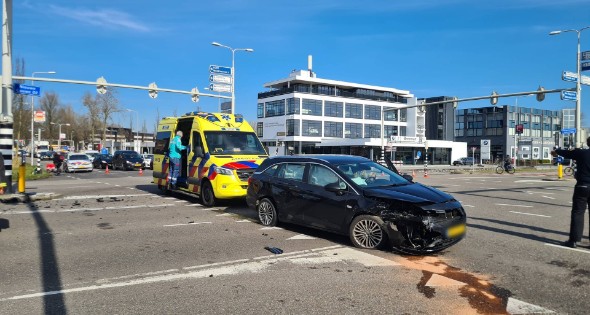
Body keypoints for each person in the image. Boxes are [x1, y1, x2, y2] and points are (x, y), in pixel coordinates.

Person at [551, 137, 590, 248]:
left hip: (582, 185)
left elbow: (566, 153)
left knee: (578, 212)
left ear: (588, 143)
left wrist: (556, 151)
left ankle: (574, 240)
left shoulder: (582, 153)